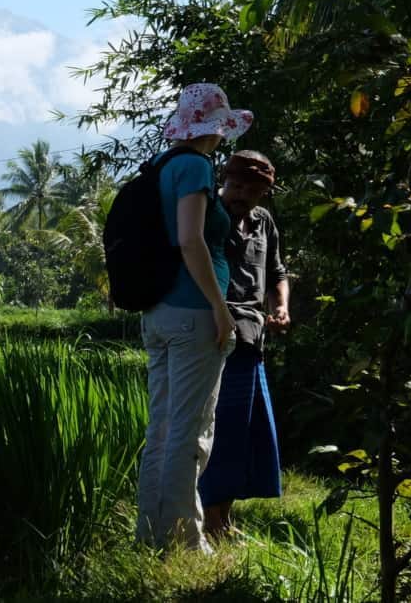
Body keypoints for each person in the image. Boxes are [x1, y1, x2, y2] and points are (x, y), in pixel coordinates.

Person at [135, 82, 252, 554]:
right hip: (192, 313)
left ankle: (151, 532)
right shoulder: (196, 167)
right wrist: (221, 310)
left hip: (159, 311)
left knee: (162, 428)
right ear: (215, 128)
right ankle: (183, 541)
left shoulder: (161, 166)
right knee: (189, 429)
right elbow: (191, 241)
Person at [199, 151, 289, 538]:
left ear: (264, 194)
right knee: (219, 430)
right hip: (216, 334)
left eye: (252, 190)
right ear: (224, 180)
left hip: (254, 338)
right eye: (236, 186)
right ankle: (211, 520)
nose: (241, 195)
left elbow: (276, 271)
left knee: (245, 431)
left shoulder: (264, 221)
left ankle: (225, 516)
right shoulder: (206, 215)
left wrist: (281, 307)